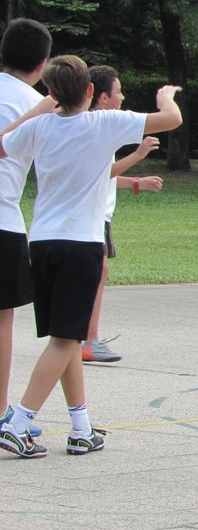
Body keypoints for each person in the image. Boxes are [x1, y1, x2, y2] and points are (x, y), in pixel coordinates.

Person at [0, 55, 182, 458]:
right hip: (80, 243)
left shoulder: (39, 125)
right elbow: (171, 120)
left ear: (51, 92)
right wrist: (166, 96)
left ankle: (81, 427)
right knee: (66, 338)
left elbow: (1, 146)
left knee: (65, 337)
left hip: (41, 242)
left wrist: (33, 112)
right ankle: (18, 422)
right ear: (89, 90)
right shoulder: (104, 123)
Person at [81, 65, 164, 364]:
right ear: (102, 97)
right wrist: (138, 154)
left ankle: (83, 339)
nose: (123, 96)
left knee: (97, 273)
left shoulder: (88, 126)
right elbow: (99, 173)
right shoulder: (99, 126)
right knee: (97, 274)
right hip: (93, 216)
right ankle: (87, 341)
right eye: (118, 91)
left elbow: (101, 175)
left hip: (93, 215)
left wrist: (137, 183)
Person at [0, 18, 51, 439]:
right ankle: (1, 411)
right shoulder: (39, 106)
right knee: (2, 319)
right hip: (3, 219)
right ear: (42, 63)